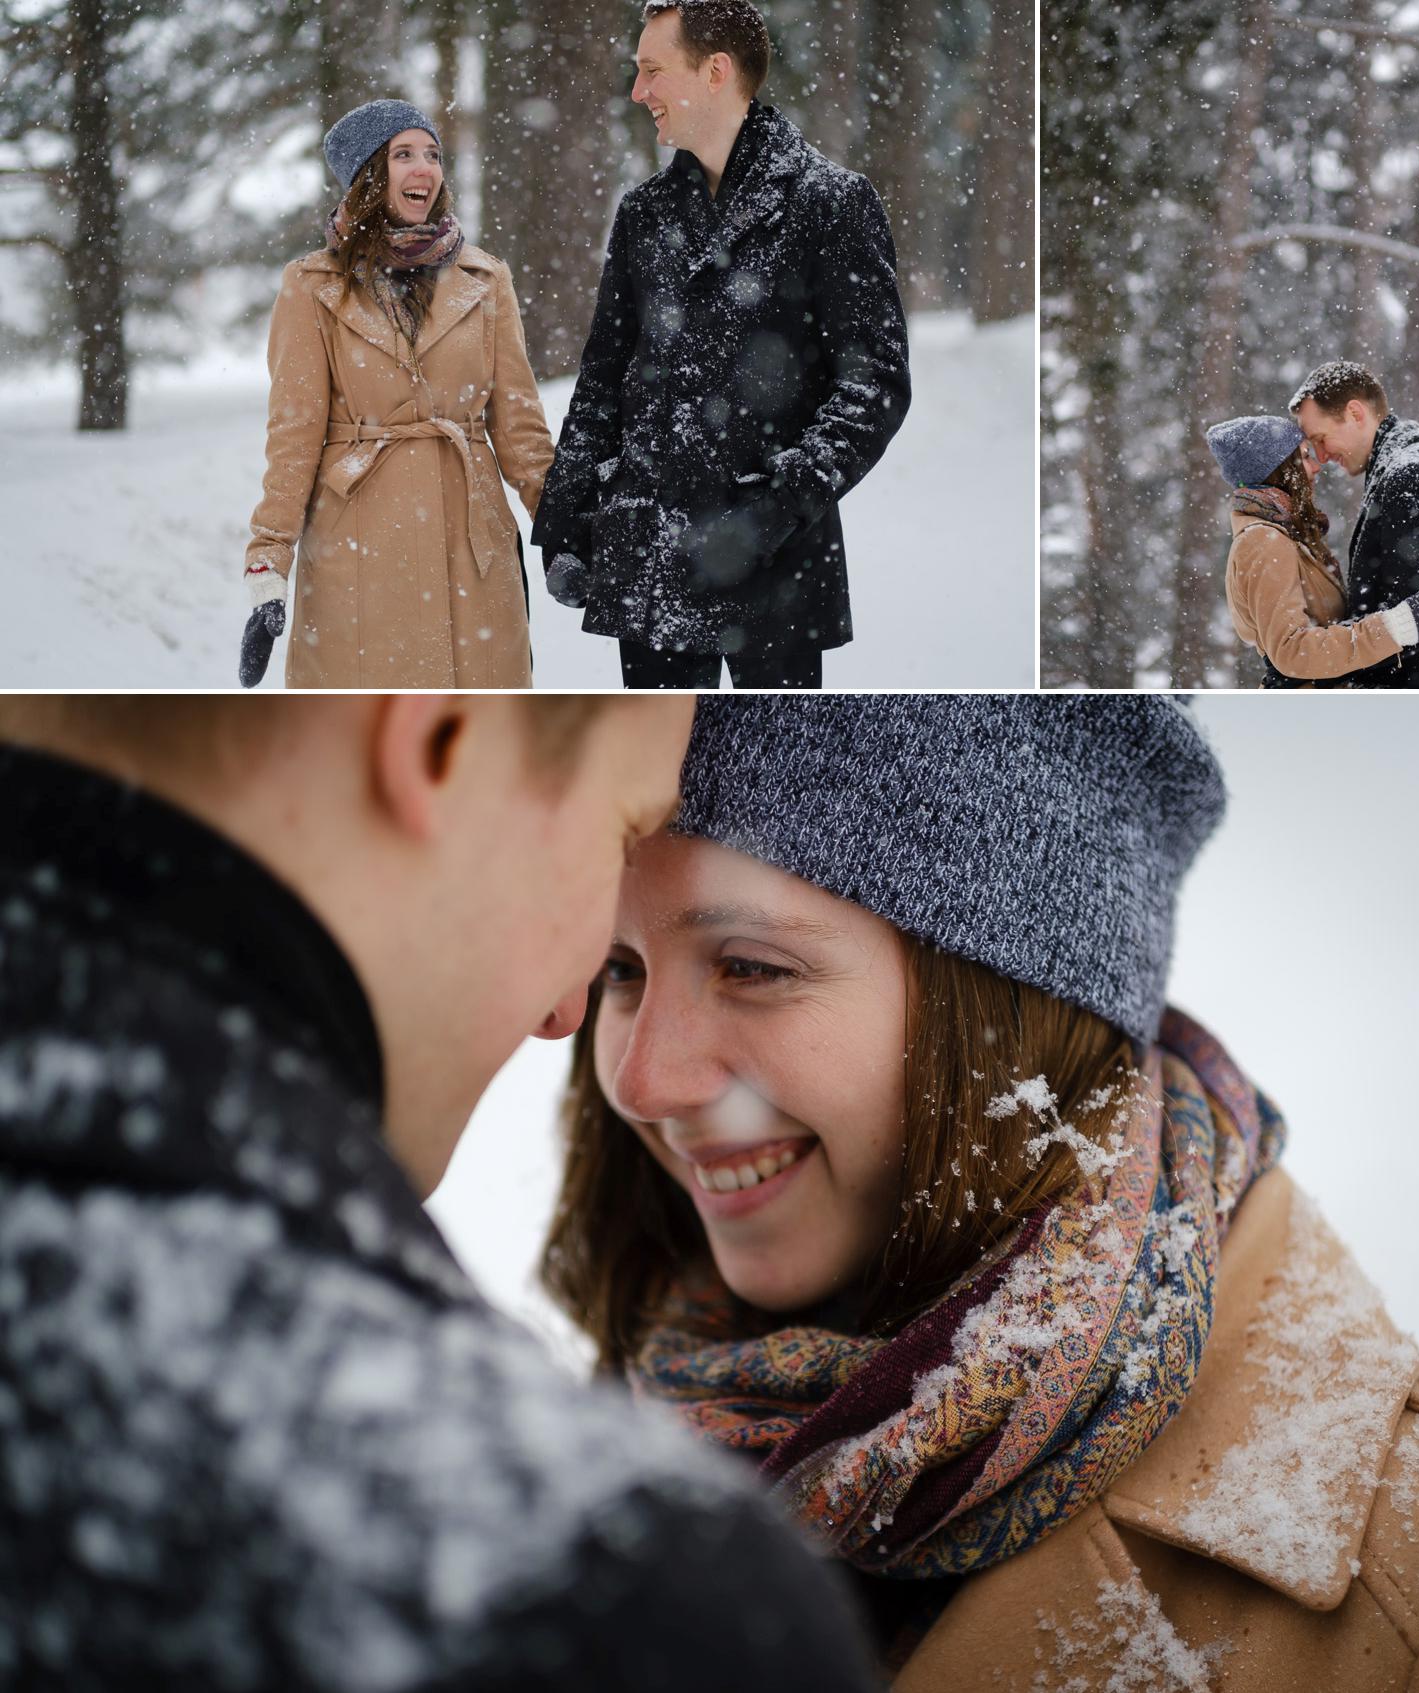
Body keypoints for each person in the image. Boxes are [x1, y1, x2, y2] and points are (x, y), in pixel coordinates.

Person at [542, 694, 1419, 1687]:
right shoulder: (565, 1467)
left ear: (1011, 1009)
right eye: (619, 967)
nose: (642, 1081)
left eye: (750, 966)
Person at [0, 695, 883, 1693]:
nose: (570, 1015)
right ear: (439, 735)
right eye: (621, 826)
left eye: (754, 967)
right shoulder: (581, 1601)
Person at [531, 0, 911, 691]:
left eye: (652, 71)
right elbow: (603, 379)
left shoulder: (830, 203)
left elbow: (874, 385)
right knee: (664, 782)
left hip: (776, 569)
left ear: (716, 71)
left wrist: (777, 507)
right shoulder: (643, 214)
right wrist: (568, 519)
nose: (638, 92)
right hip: (650, 561)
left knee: (779, 773)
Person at [240, 99, 555, 690]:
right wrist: (268, 565)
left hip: (473, 544)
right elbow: (292, 437)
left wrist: (564, 532)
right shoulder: (313, 286)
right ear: (366, 175)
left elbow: (520, 429)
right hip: (359, 548)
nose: (424, 170)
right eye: (402, 155)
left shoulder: (486, 280)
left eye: (432, 155)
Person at [1207, 413, 1419, 688]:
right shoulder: (1263, 540)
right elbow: (1291, 650)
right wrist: (1398, 627)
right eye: (1305, 456)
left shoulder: (1284, 535)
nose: (1316, 467)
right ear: (1279, 469)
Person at [1290, 360, 1419, 688]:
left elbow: (1416, 630)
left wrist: (1308, 670)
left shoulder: (1411, 477)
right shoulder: (1402, 469)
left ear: (1355, 413)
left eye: (1321, 438)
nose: (1320, 455)